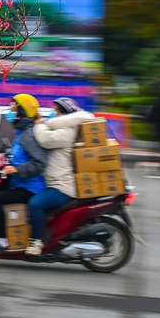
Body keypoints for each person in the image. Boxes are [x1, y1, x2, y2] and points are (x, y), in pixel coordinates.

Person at [27, 97, 96, 255]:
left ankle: (35, 242)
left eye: (56, 110)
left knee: (35, 204)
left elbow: (46, 140)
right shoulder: (63, 127)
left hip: (63, 186)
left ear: (63, 112)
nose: (53, 112)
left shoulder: (67, 131)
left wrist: (39, 125)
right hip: (56, 182)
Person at [0, 94, 48, 253]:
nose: (10, 112)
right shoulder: (22, 132)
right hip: (19, 182)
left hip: (31, 187)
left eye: (13, 109)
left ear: (22, 112)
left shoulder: (28, 135)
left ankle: (1, 239)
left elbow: (40, 162)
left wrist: (16, 169)